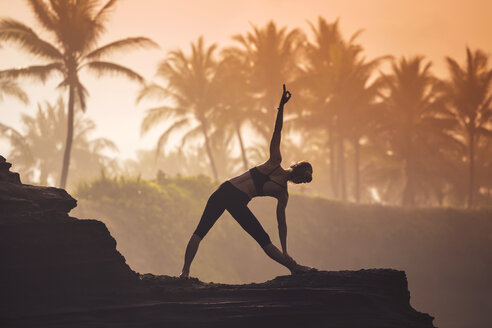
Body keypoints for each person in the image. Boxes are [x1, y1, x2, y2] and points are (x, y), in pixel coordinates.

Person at [180, 84, 316, 279]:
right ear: (298, 170)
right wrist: (282, 106)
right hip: (228, 193)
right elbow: (277, 131)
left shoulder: (282, 193)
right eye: (304, 177)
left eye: (305, 181)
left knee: (263, 239)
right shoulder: (274, 163)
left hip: (232, 196)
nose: (303, 181)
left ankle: (292, 266)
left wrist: (285, 249)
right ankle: (184, 272)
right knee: (201, 231)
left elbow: (281, 223)